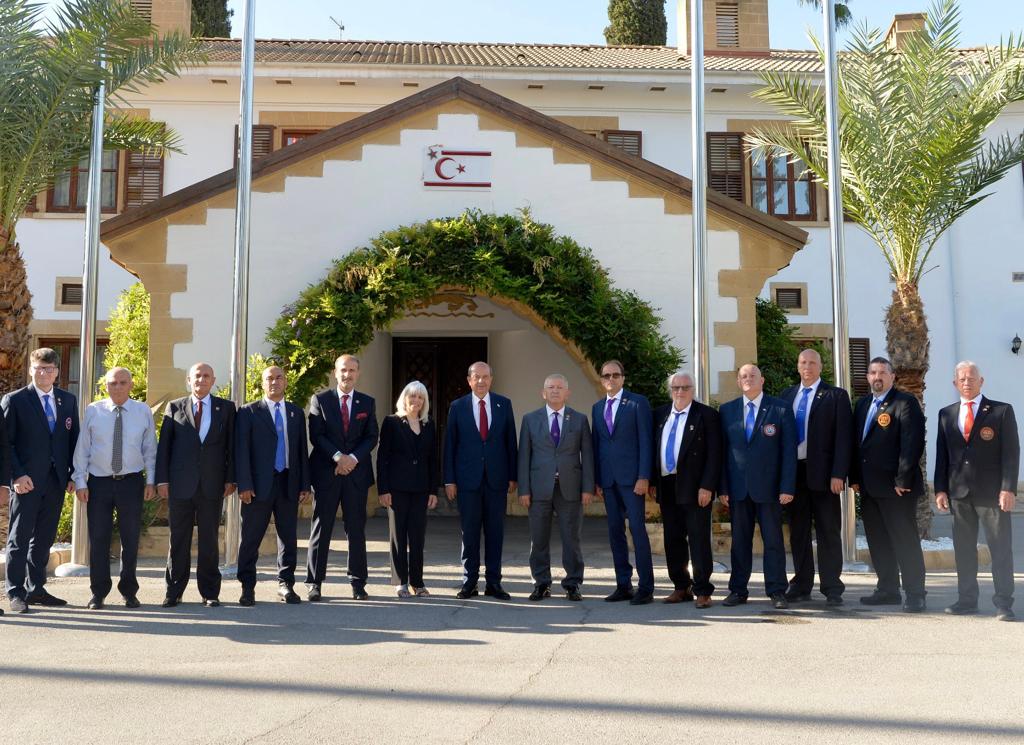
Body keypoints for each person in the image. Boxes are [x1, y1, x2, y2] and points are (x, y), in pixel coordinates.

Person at [934, 361, 1019, 622]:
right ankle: (967, 600)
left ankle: (1003, 603)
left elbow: (1011, 453)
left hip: (992, 494)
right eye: (961, 379)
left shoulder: (1001, 411)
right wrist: (940, 489)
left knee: (1000, 550)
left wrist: (1008, 488)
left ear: (981, 381)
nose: (966, 382)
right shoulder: (946, 414)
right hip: (959, 493)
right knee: (964, 550)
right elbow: (942, 455)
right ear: (955, 383)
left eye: (971, 378)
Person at [2, 348, 79, 614]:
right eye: (38, 368)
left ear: (57, 372)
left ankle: (36, 588)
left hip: (56, 481)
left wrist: (72, 475)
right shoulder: (15, 400)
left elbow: (73, 440)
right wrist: (16, 475)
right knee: (19, 537)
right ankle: (15, 591)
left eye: (49, 369)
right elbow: (6, 444)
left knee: (44, 538)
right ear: (30, 370)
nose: (43, 373)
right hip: (26, 481)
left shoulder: (67, 400)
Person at [73, 367, 157, 610]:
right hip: (99, 483)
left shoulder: (143, 411)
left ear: (131, 385)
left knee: (130, 538)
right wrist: (80, 481)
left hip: (131, 482)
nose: (117, 387)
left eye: (122, 382)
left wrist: (150, 480)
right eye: (112, 383)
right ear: (105, 386)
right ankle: (98, 593)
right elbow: (83, 448)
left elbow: (150, 449)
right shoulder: (93, 410)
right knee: (99, 538)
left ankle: (129, 591)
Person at [850, 357, 927, 613]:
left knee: (905, 541)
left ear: (892, 377)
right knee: (878, 541)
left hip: (896, 488)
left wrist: (902, 479)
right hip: (869, 488)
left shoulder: (905, 403)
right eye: (873, 372)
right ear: (867, 377)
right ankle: (887, 589)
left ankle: (915, 593)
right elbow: (857, 445)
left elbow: (912, 443)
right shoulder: (862, 404)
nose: (877, 376)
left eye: (883, 372)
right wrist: (855, 478)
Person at [155, 362, 235, 608]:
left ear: (213, 380)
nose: (201, 379)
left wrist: (231, 478)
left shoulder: (226, 408)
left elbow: (232, 447)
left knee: (209, 540)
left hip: (212, 485)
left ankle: (209, 592)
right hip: (180, 485)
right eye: (197, 376)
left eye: (206, 376)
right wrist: (162, 480)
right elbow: (164, 447)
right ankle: (174, 591)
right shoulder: (174, 407)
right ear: (189, 380)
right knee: (178, 539)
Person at [718, 364, 797, 610]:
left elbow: (788, 452)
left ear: (762, 380)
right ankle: (738, 590)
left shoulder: (780, 408)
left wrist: (787, 486)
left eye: (753, 375)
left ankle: (777, 590)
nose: (748, 379)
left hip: (770, 489)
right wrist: (723, 488)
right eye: (744, 376)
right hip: (738, 489)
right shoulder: (727, 410)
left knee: (773, 541)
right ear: (738, 381)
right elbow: (722, 453)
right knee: (740, 542)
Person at [779, 349, 851, 605]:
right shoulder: (787, 396)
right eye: (803, 362)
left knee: (828, 531)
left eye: (812, 362)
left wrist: (838, 473)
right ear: (797, 366)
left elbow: (844, 438)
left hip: (825, 475)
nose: (807, 366)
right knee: (798, 532)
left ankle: (832, 587)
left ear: (820, 367)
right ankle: (801, 584)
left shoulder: (836, 396)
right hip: (795, 475)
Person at [235, 366, 311, 607]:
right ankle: (247, 587)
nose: (274, 382)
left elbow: (301, 451)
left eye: (279, 378)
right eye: (269, 378)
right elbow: (241, 451)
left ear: (285, 382)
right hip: (257, 486)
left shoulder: (295, 412)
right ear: (262, 383)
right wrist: (244, 484)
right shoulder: (248, 411)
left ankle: (286, 584)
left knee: (288, 537)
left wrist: (304, 484)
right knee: (251, 538)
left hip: (288, 483)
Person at [306, 354, 378, 601]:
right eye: (343, 370)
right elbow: (317, 435)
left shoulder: (367, 402)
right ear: (335, 373)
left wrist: (352, 459)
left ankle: (358, 583)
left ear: (358, 373)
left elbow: (372, 436)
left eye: (352, 370)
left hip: (356, 475)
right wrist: (338, 458)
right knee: (321, 528)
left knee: (356, 530)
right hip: (327, 473)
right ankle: (314, 583)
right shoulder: (320, 400)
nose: (347, 375)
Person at [443, 361, 518, 600]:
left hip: (497, 480)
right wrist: (449, 480)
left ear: (491, 379)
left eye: (486, 377)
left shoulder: (504, 404)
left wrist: (513, 476)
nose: (481, 381)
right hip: (467, 481)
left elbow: (510, 442)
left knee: (495, 533)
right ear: (469, 380)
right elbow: (450, 445)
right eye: (477, 377)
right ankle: (470, 582)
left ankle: (494, 583)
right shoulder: (457, 406)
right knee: (470, 533)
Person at [518, 374, 594, 602]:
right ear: (543, 393)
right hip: (538, 488)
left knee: (572, 539)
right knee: (539, 539)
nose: (555, 390)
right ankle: (541, 583)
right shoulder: (530, 419)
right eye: (550, 387)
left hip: (570, 488)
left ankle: (573, 584)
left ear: (567, 393)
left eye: (560, 387)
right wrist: (524, 490)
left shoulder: (579, 419)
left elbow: (587, 456)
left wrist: (587, 488)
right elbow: (524, 457)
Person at [650, 371, 721, 609]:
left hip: (695, 486)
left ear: (693, 390)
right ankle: (681, 586)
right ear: (670, 390)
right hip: (667, 484)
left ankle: (703, 590)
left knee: (698, 539)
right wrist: (653, 481)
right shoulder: (659, 414)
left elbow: (714, 454)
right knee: (673, 538)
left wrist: (707, 486)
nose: (680, 392)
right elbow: (653, 449)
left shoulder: (706, 415)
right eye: (676, 388)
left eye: (685, 388)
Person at [591, 359, 655, 605]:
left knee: (637, 531)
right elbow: (597, 445)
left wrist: (644, 476)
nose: (611, 379)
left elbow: (646, 441)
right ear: (601, 379)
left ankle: (646, 588)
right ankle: (623, 585)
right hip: (608, 481)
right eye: (606, 375)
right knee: (615, 532)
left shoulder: (637, 403)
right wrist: (597, 480)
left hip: (632, 480)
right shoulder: (597, 408)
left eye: (615, 375)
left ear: (623, 378)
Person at [376, 381, 440, 598]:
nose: (416, 401)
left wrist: (433, 490)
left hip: (421, 489)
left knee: (417, 537)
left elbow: (433, 460)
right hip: (396, 489)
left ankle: (418, 582)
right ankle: (400, 582)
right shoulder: (392, 422)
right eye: (412, 396)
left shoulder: (429, 424)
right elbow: (382, 458)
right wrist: (383, 489)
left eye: (420, 397)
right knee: (398, 537)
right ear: (404, 398)